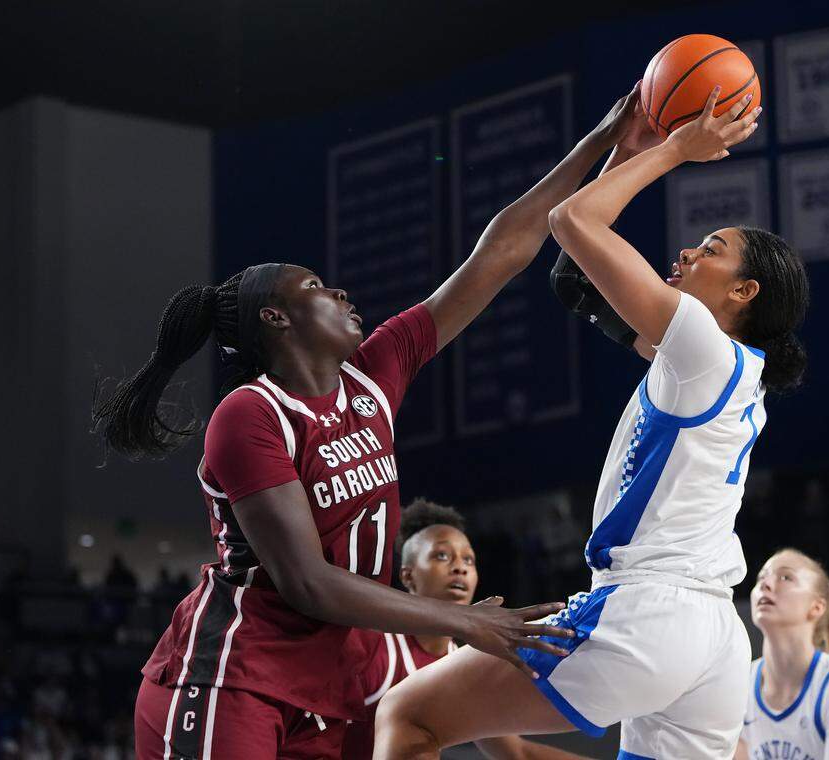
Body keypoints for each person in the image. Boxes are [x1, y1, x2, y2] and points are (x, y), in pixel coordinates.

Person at [95, 85, 648, 759]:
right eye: (316, 288)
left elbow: (499, 253)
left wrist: (602, 140)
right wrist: (464, 622)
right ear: (277, 318)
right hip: (232, 676)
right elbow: (308, 582)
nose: (340, 292)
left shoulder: (375, 375)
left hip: (330, 684)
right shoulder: (251, 415)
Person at [375, 84, 793, 760]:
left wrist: (675, 151)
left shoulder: (701, 346)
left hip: (650, 610)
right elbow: (573, 278)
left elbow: (572, 219)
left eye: (709, 250)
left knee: (410, 714)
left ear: (743, 293)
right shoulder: (716, 367)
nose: (685, 254)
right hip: (713, 633)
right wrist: (621, 148)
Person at [342, 500, 584, 759]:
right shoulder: (371, 641)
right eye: (442, 555)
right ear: (408, 576)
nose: (460, 567)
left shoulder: (460, 670)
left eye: (468, 560)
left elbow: (517, 754)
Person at [735, 549, 829, 760]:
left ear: (817, 607)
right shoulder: (740, 684)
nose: (765, 584)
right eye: (761, 578)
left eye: (785, 577)